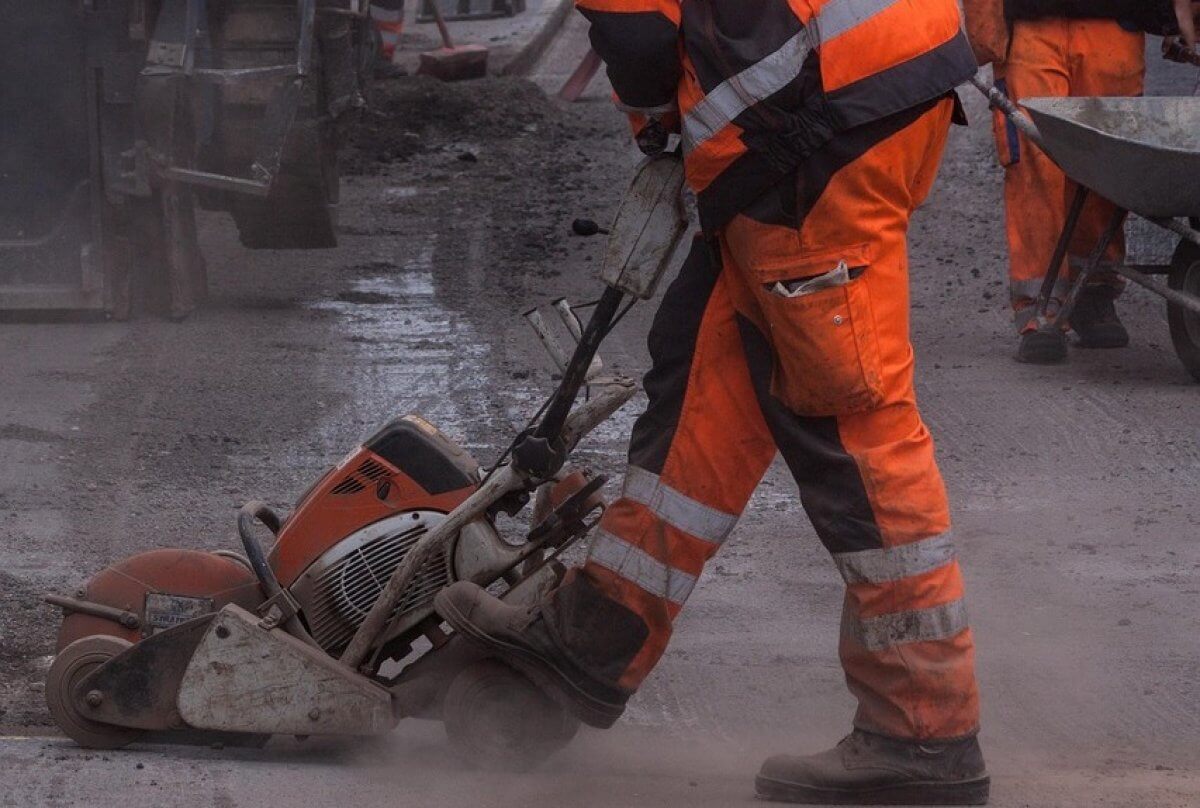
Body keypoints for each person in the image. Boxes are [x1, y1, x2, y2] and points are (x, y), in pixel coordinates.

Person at [435, 0, 1191, 804]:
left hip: (819, 122)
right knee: (707, 378)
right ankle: (597, 633)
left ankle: (922, 730)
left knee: (850, 421)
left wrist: (658, 125)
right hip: (858, 84)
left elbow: (638, 32)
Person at [978, 1, 1194, 363]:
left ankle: (1093, 289)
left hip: (1113, 23)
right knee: (1036, 164)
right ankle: (1040, 306)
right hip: (1034, 25)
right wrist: (984, 29)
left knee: (1105, 159)